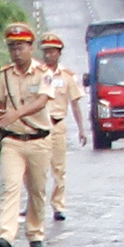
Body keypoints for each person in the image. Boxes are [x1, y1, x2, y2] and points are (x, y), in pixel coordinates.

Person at [0, 23, 56, 247]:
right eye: (12, 47)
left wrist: (18, 113)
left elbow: (43, 101)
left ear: (31, 47)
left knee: (36, 190)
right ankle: (6, 235)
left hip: (38, 141)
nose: (16, 52)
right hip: (12, 141)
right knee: (10, 187)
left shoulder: (45, 73)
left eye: (20, 47)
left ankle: (35, 234)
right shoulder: (5, 75)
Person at [38, 32, 88, 221]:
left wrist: (82, 130)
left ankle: (58, 205)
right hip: (38, 126)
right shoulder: (36, 74)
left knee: (58, 169)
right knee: (36, 169)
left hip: (57, 125)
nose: (48, 55)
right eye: (45, 52)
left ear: (59, 53)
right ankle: (36, 204)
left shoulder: (67, 77)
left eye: (52, 52)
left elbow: (75, 104)